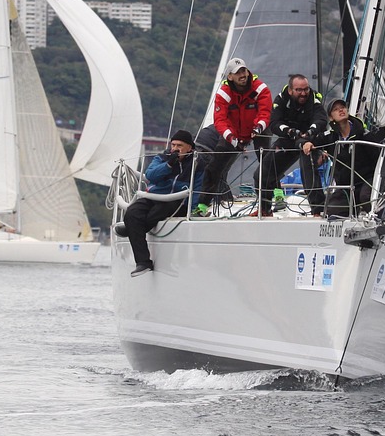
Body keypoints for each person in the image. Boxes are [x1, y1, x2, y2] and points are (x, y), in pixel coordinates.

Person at [193, 58, 272, 214]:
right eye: (237, 73)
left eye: (243, 71)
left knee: (267, 162)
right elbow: (220, 120)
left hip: (258, 128)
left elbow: (265, 112)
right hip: (234, 132)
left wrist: (258, 127)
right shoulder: (224, 93)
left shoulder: (260, 88)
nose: (242, 75)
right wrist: (231, 138)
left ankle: (275, 197)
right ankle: (202, 206)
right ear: (230, 76)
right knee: (214, 167)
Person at [121, 129, 203, 276]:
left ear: (189, 147)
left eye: (179, 146)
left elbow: (198, 187)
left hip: (177, 200)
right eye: (173, 145)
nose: (175, 149)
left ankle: (130, 229)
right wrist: (168, 165)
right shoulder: (162, 158)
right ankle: (143, 262)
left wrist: (194, 209)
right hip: (154, 196)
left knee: (155, 214)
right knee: (132, 213)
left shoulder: (196, 163)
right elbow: (151, 175)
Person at [259, 75, 328, 216]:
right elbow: (274, 123)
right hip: (289, 139)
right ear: (290, 90)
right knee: (262, 173)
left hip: (309, 140)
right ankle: (265, 210)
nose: (303, 93)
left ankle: (318, 210)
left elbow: (321, 120)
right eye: (299, 90)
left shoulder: (314, 99)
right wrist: (290, 131)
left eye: (306, 89)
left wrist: (310, 132)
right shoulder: (281, 99)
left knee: (308, 168)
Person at [312, 98, 385, 218]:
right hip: (346, 185)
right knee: (332, 211)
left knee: (366, 197)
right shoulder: (330, 137)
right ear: (331, 117)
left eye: (342, 107)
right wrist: (307, 144)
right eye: (336, 109)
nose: (341, 110)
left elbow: (378, 158)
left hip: (366, 180)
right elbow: (312, 141)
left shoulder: (364, 134)